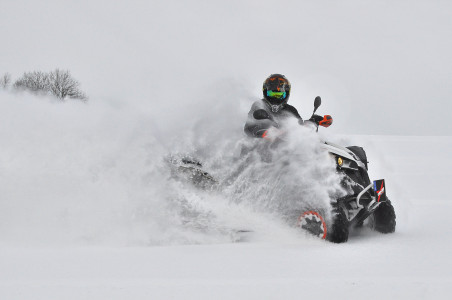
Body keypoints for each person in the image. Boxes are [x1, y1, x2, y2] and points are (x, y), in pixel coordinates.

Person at [244, 74, 329, 139]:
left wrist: (313, 122)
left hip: (286, 152)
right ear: (265, 92)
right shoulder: (259, 105)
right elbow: (248, 128)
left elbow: (300, 128)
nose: (275, 98)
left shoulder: (291, 110)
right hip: (256, 152)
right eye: (272, 94)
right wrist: (264, 132)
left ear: (287, 94)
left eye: (279, 95)